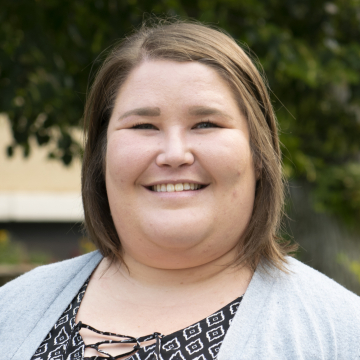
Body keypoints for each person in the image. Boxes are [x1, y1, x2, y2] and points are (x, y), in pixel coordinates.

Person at [1, 19, 360, 360]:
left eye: (205, 123)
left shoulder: (342, 335)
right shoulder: (12, 310)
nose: (174, 154)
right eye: (143, 125)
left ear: (259, 154)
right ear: (101, 154)